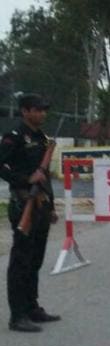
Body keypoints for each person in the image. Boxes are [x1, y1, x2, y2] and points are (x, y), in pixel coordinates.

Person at [0, 93, 61, 332]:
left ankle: (32, 307)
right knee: (21, 261)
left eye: (44, 110)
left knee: (35, 260)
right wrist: (25, 178)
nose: (42, 114)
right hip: (22, 204)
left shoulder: (42, 139)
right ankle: (17, 315)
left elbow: (44, 177)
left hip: (41, 205)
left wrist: (52, 206)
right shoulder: (13, 138)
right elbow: (1, 168)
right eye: (37, 109)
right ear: (25, 111)